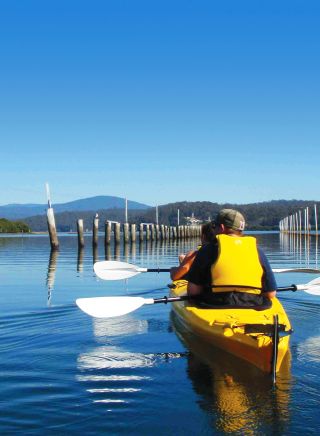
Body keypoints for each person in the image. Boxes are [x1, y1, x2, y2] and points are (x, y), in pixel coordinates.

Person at [187, 209, 277, 308]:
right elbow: (270, 294)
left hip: (213, 304)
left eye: (214, 227)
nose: (213, 230)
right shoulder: (258, 251)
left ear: (221, 227)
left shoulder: (206, 250)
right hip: (253, 304)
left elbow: (193, 291)